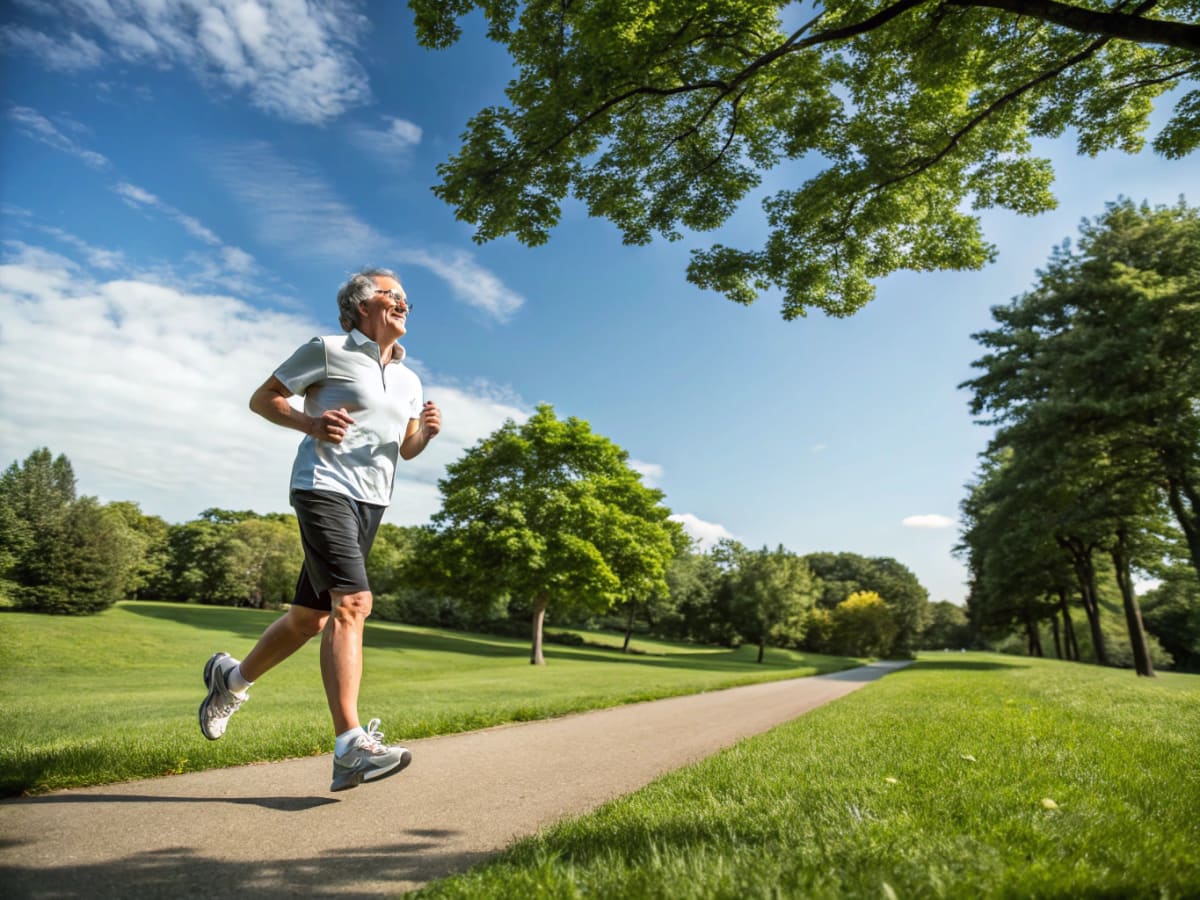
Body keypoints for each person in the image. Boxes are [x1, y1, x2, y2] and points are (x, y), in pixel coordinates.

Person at [199, 267, 441, 792]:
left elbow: (404, 447)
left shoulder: (409, 377)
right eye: (390, 294)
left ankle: (230, 681)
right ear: (359, 305)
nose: (402, 302)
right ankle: (350, 746)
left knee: (309, 618)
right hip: (322, 485)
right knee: (352, 604)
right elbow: (263, 398)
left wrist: (425, 433)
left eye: (405, 298)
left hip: (373, 501)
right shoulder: (328, 349)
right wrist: (310, 423)